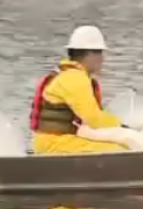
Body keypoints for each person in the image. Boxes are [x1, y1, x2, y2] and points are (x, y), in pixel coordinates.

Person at [30, 25, 128, 155]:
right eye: (99, 53)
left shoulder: (69, 75)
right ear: (88, 54)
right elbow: (94, 119)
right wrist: (123, 127)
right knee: (120, 149)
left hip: (53, 141)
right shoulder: (75, 79)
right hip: (55, 144)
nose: (102, 59)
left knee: (119, 143)